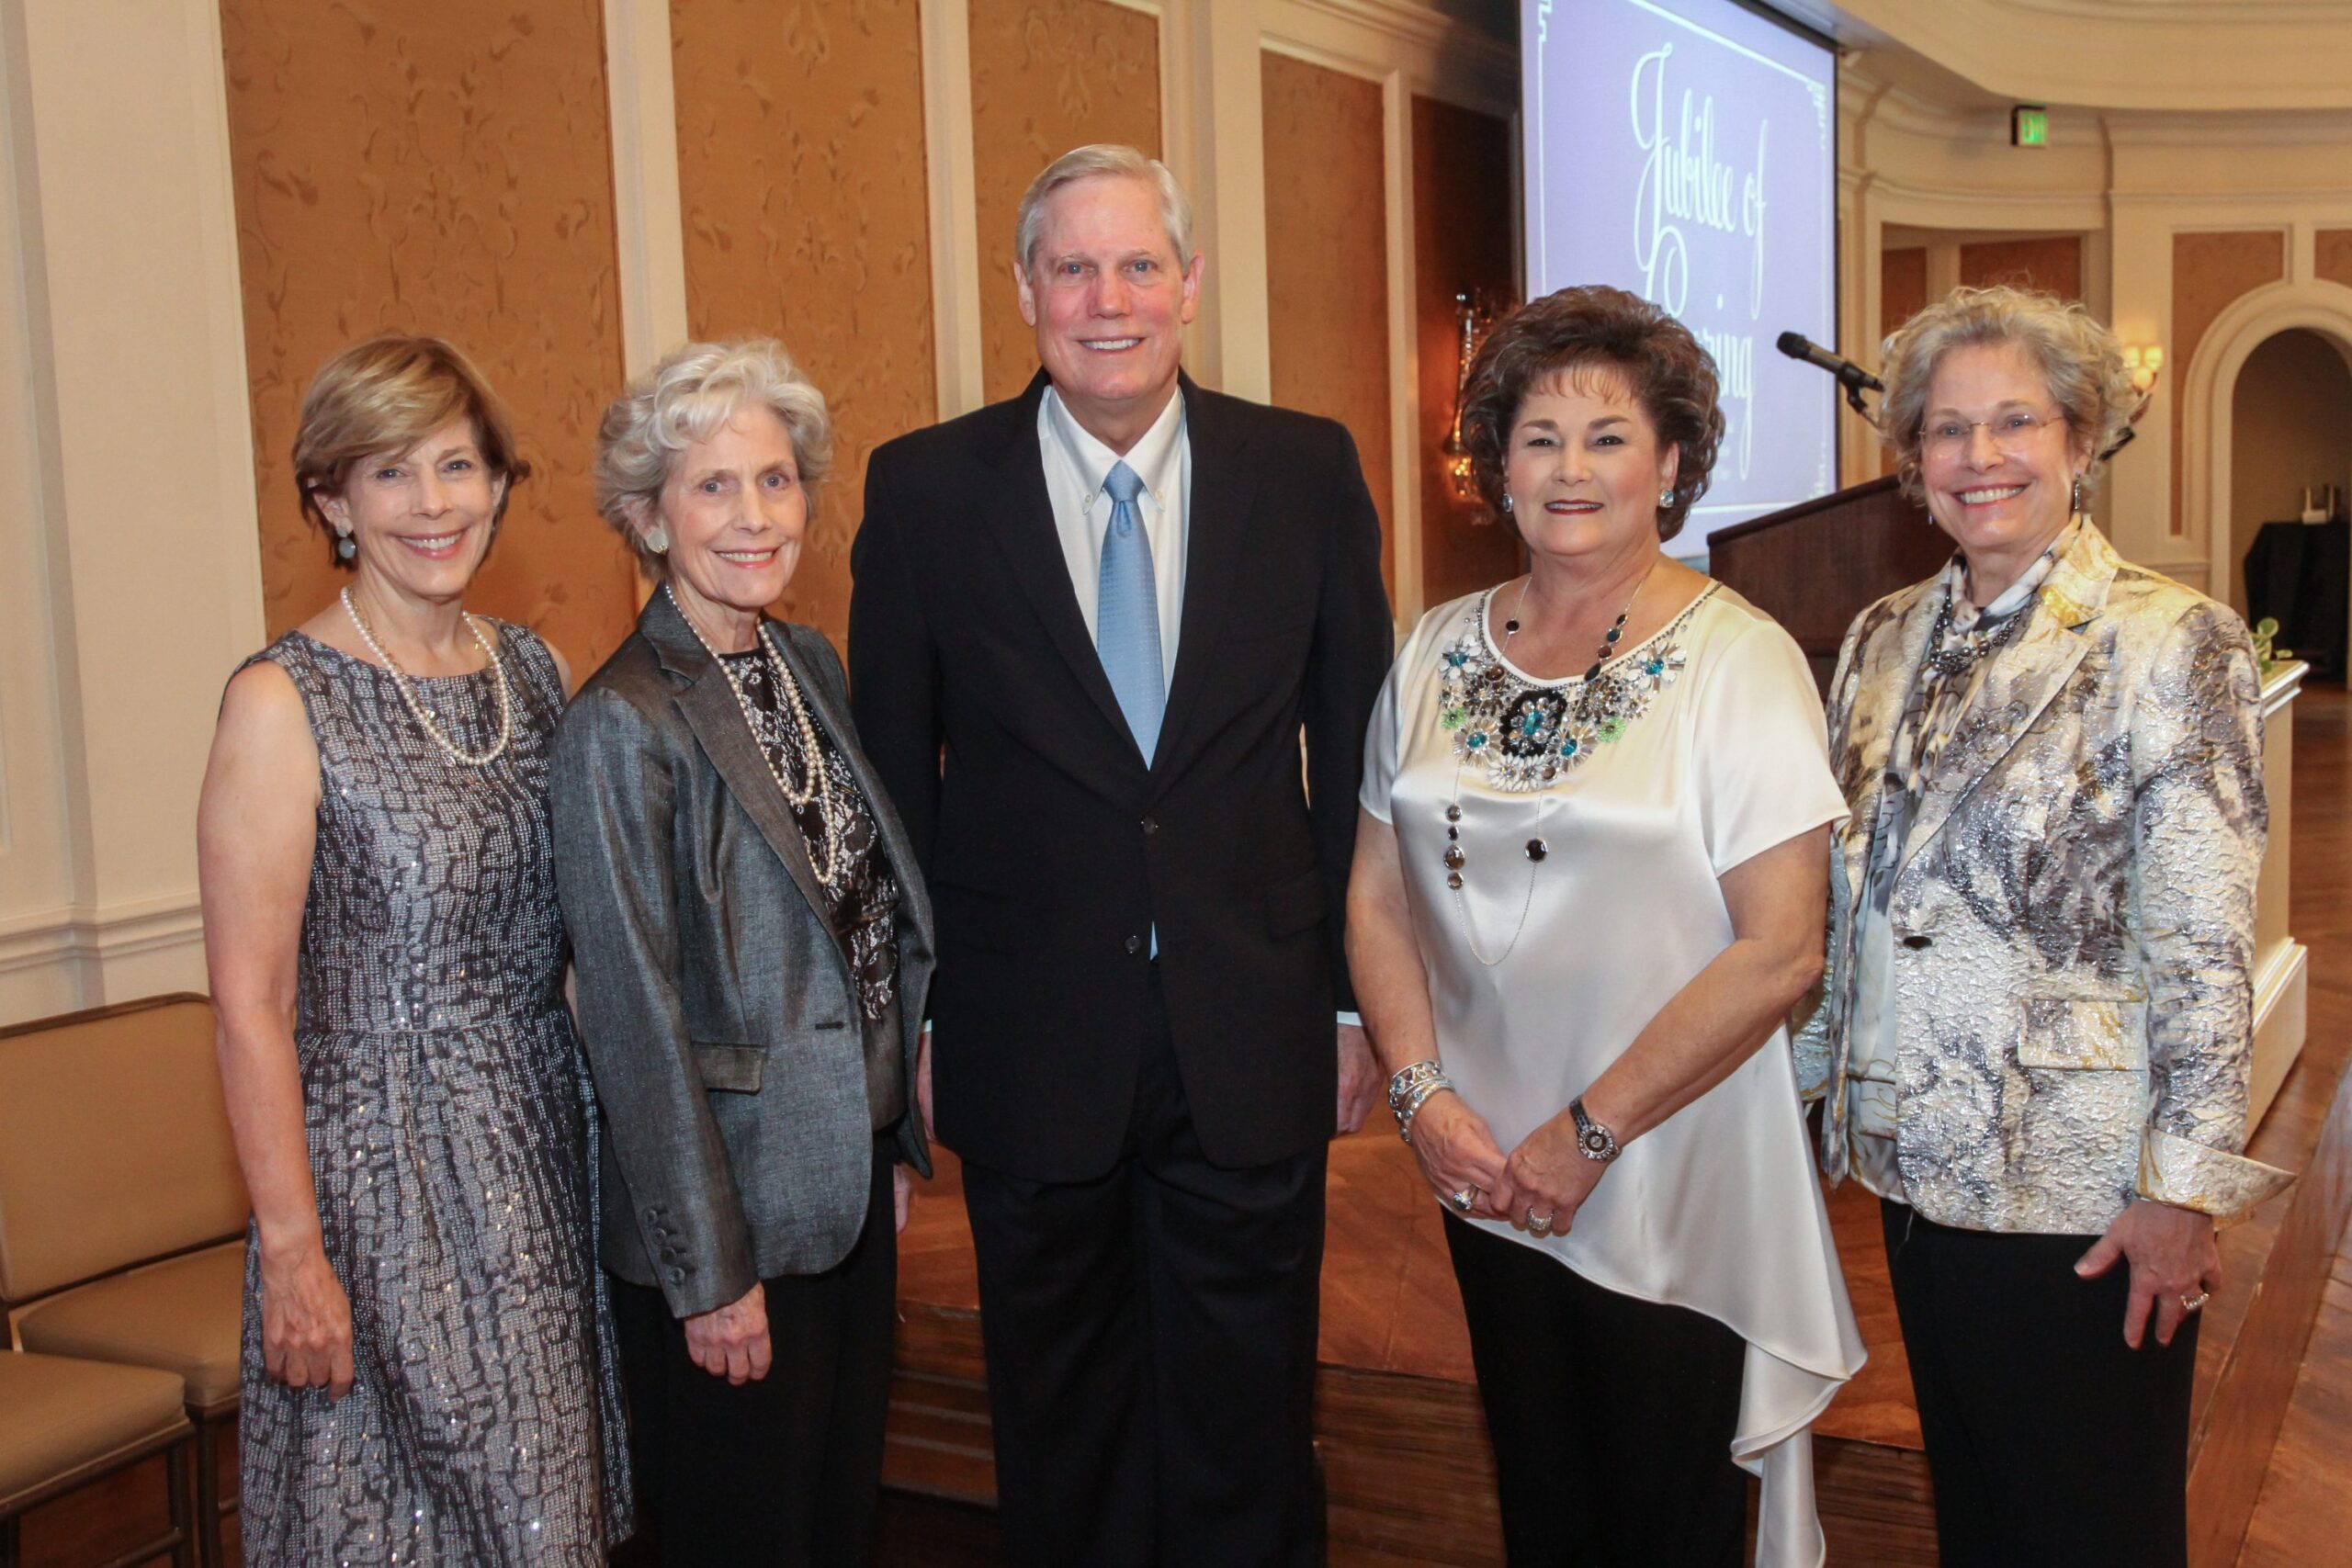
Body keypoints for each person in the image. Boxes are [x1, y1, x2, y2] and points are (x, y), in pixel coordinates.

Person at [848, 143, 1393, 1566]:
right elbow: (893, 791)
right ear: (1026, 289)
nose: (1109, 300)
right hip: (1026, 1038)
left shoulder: (1305, 470)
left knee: (1250, 1427)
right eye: (1075, 268)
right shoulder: (924, 490)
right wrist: (915, 1021)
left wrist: (1352, 1002)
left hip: (1256, 1024)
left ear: (1190, 284)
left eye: (1138, 265)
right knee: (1063, 1431)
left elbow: (1360, 760)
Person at [1346, 284, 1865, 1568]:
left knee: (1662, 1520)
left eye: (1609, 437)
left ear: (1671, 464)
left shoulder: (1738, 659)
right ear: (1499, 465)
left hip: (1666, 1165)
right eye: (1539, 438)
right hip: (1482, 1165)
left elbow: (1783, 949)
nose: (1570, 469)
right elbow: (1376, 892)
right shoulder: (1433, 649)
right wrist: (1421, 1097)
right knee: (1544, 1507)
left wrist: (1589, 1133)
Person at [1802, 284, 2293, 1566]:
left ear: (2081, 439)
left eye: (2016, 421)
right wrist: (1803, 1097)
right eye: (1948, 429)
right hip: (1912, 1164)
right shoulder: (1882, 637)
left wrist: (2181, 1192)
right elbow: (1853, 898)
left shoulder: (2172, 640)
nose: (1981, 456)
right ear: (1912, 458)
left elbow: (2202, 950)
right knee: (1980, 1515)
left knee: (2090, 1528)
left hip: (2082, 1190)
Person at [198, 334, 631, 1562]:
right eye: (390, 472)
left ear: (497, 484)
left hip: (541, 1149)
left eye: (457, 465)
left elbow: (576, 953)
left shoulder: (534, 672)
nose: (433, 503)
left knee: (548, 1514)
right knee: (395, 1525)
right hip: (376, 1179)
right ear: (333, 501)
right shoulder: (281, 702)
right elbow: (249, 1006)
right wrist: (294, 1253)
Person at [551, 338, 933, 1565]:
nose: (755, 516)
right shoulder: (622, 721)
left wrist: (886, 1134)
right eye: (712, 486)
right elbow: (632, 1023)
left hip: (840, 1189)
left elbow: (856, 917)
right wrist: (711, 1276)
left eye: (775, 480)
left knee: (835, 1523)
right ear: (648, 517)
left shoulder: (805, 662)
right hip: (730, 1231)